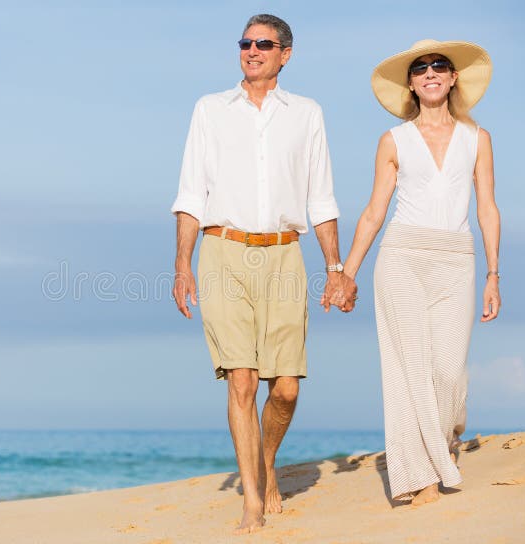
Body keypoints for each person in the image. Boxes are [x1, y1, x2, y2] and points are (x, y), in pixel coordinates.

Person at [171, 13, 352, 534]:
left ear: (285, 54)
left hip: (284, 254)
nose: (252, 51)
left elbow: (321, 198)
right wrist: (182, 264)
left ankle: (267, 460)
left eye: (264, 45)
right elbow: (190, 194)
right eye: (246, 43)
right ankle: (251, 497)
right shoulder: (209, 110)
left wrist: (335, 268)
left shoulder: (307, 114)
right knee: (243, 382)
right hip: (222, 250)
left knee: (288, 388)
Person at [339, 39, 501, 505]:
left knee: (449, 373)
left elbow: (487, 208)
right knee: (409, 369)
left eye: (440, 66)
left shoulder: (478, 138)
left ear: (453, 79)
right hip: (403, 257)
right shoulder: (393, 141)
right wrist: (346, 273)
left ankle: (441, 444)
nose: (430, 72)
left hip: (457, 259)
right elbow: (373, 212)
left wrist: (493, 274)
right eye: (421, 68)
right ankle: (420, 477)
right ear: (411, 83)